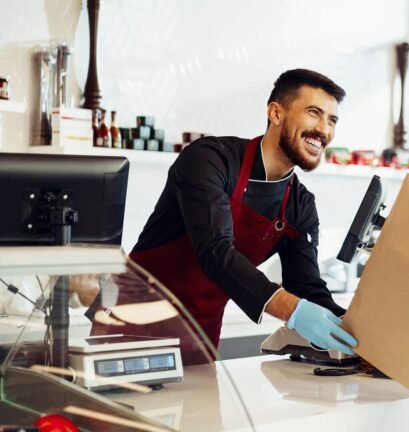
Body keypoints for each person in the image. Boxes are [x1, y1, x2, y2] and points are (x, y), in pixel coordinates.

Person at [94, 69, 357, 364]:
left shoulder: (300, 204)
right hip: (131, 322)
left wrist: (359, 330)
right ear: (275, 113)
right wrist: (292, 311)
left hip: (200, 334)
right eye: (314, 113)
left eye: (332, 120)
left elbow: (306, 286)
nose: (324, 129)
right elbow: (214, 251)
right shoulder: (209, 160)